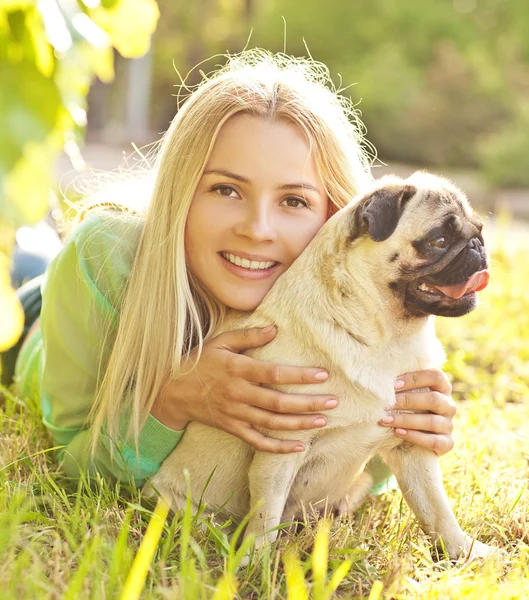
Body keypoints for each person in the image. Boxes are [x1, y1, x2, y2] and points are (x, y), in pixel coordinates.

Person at [5, 50, 456, 492]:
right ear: (181, 192)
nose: (257, 230)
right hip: (32, 322)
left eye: (294, 201)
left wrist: (400, 431)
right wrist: (171, 402)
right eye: (226, 189)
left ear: (338, 217)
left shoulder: (365, 300)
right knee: (22, 260)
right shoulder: (101, 257)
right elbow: (72, 465)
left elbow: (350, 476)